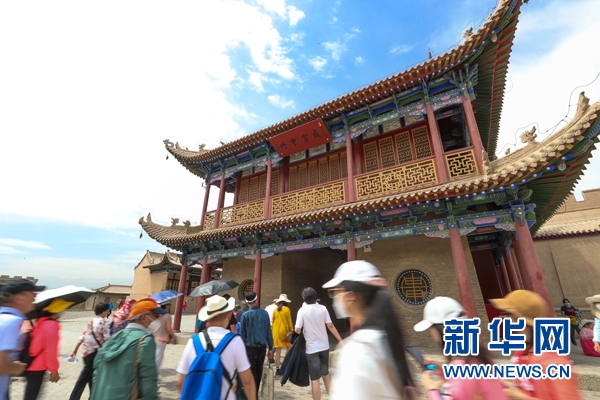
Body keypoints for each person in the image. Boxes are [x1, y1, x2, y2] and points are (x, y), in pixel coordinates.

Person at [321, 261, 415, 400]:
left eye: (336, 291)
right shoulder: (387, 338)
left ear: (350, 295)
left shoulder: (357, 351)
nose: (335, 296)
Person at [490, 290, 582, 400]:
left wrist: (518, 396)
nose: (501, 318)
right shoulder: (523, 353)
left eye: (507, 314)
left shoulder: (551, 361)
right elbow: (528, 387)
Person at [414, 296, 506, 400]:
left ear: (439, 329)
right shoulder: (483, 359)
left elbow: (460, 385)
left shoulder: (460, 366)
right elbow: (465, 388)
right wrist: (442, 370)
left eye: (431, 327)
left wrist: (431, 390)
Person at [177, 295, 256, 400]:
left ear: (207, 317)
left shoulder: (193, 341)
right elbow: (247, 381)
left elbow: (181, 381)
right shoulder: (235, 341)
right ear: (229, 315)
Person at [90, 297, 166, 400]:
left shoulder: (115, 337)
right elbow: (148, 378)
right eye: (156, 316)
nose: (159, 319)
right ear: (144, 318)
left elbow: (96, 370)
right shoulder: (145, 341)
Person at [294, 287, 343, 400]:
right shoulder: (323, 308)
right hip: (324, 346)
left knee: (315, 379)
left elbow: (297, 329)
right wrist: (340, 339)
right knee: (326, 373)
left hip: (311, 349)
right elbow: (330, 325)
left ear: (304, 298)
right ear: (315, 297)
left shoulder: (302, 311)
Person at [0, 279, 45, 400]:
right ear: (19, 298)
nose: (35, 296)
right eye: (32, 293)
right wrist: (17, 367)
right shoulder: (13, 322)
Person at [24, 298, 73, 400]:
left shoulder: (41, 321)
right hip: (38, 367)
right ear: (57, 310)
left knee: (30, 394)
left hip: (30, 362)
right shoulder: (52, 325)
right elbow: (50, 350)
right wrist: (54, 369)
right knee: (31, 396)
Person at [68, 302, 111, 400]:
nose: (108, 312)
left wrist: (74, 351)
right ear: (103, 312)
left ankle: (93, 397)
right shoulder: (105, 321)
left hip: (85, 353)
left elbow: (82, 337)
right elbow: (108, 338)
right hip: (94, 354)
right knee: (83, 378)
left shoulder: (91, 322)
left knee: (91, 378)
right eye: (107, 310)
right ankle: (73, 398)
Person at [239, 291, 274, 398]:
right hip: (262, 348)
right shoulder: (264, 314)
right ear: (256, 299)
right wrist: (271, 348)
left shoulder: (245, 315)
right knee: (258, 373)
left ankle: (252, 396)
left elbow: (242, 335)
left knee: (251, 373)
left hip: (249, 348)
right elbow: (268, 332)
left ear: (247, 302)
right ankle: (255, 395)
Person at [271, 294, 293, 377]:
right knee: (289, 347)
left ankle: (277, 369)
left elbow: (273, 320)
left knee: (278, 351)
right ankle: (285, 366)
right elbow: (289, 321)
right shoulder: (287, 309)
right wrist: (291, 330)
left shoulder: (275, 310)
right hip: (285, 332)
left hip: (276, 332)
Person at [150, 303, 175, 374]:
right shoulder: (167, 315)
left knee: (154, 357)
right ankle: (154, 374)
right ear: (166, 305)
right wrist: (173, 336)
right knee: (158, 359)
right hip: (162, 339)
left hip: (153, 337)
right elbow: (169, 329)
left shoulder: (155, 314)